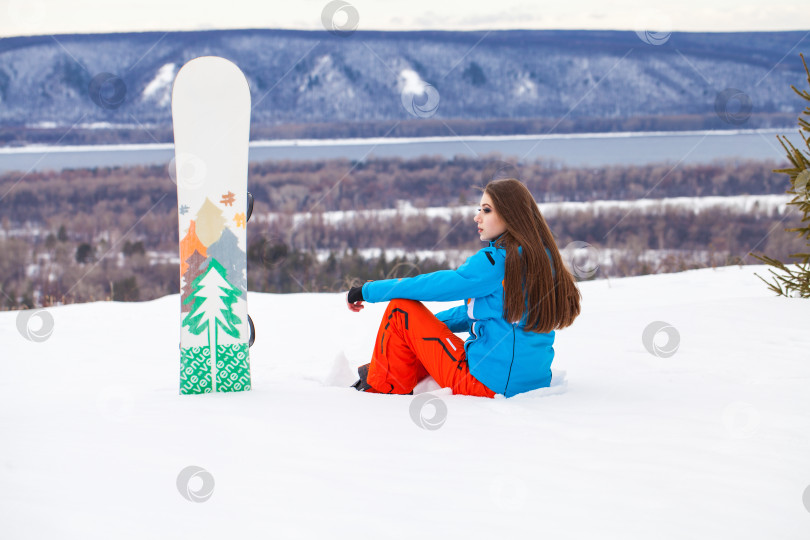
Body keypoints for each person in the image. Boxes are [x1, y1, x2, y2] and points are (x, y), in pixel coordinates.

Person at [345, 178, 582, 398]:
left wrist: (368, 290)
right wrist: (426, 327)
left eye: (486, 210)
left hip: (486, 386)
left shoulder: (497, 262)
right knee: (412, 328)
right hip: (533, 382)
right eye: (479, 209)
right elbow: (489, 312)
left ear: (511, 216)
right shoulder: (543, 258)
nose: (477, 217)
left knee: (400, 311)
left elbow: (433, 286)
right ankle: (389, 368)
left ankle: (380, 387)